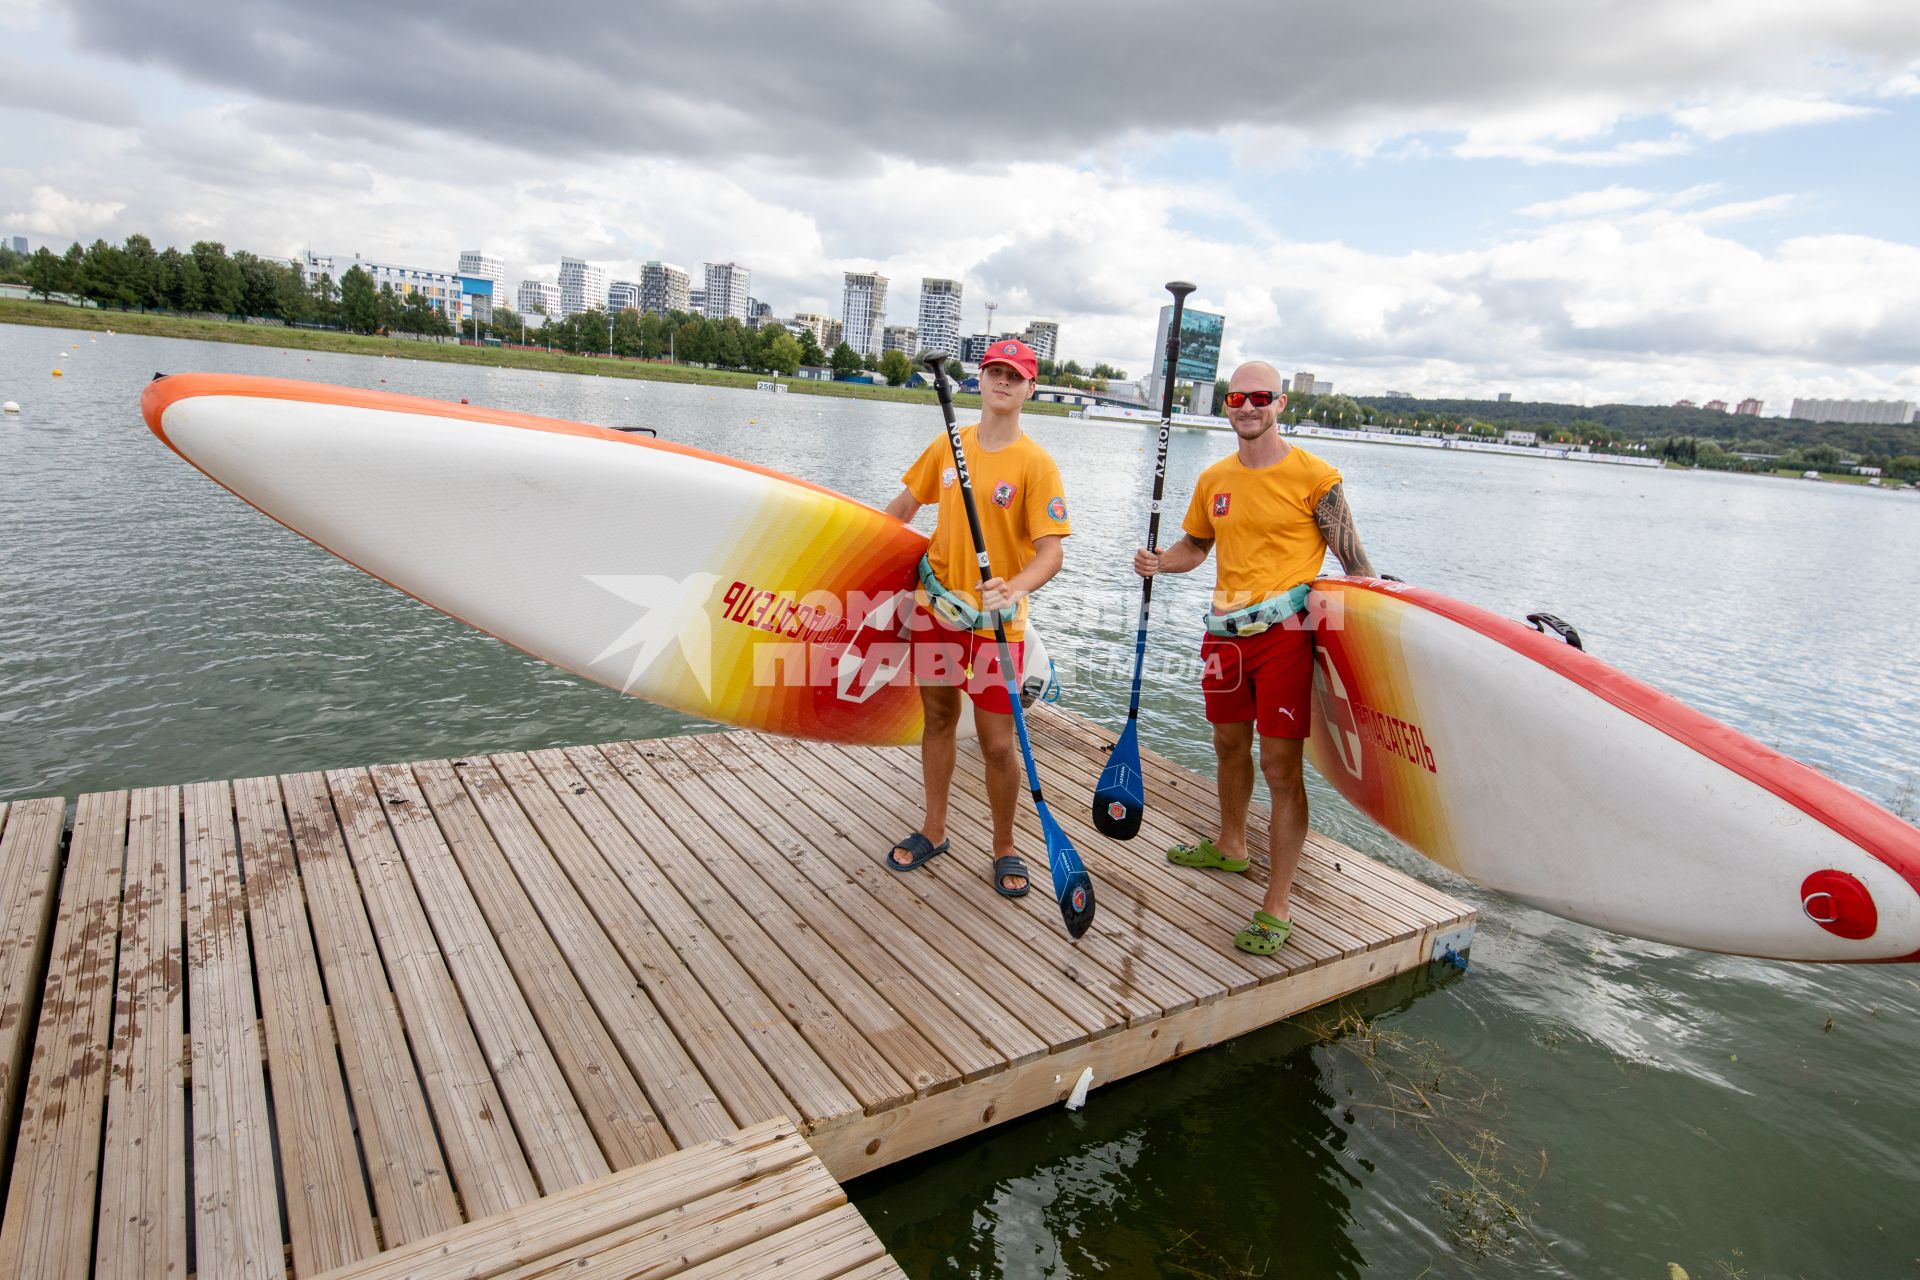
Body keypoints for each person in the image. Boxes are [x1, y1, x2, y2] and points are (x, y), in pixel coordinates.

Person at [1133, 361, 1376, 955]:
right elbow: (1197, 544)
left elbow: (1357, 566)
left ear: (1281, 404)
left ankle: (1278, 903)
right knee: (1227, 745)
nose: (1247, 406)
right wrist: (1161, 561)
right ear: (1227, 405)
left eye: (1260, 397)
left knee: (1280, 768)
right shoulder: (1215, 478)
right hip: (1222, 635)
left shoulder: (1316, 478)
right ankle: (1232, 846)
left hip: (1285, 635)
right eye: (1237, 397)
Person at [881, 338, 1071, 898]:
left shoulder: (1036, 464)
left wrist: (1012, 587)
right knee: (937, 719)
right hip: (938, 611)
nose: (1003, 382)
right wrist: (859, 548)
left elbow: (1051, 552)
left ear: (1030, 388)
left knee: (995, 743)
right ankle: (934, 830)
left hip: (995, 628)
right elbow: (901, 512)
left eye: (1015, 375)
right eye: (994, 372)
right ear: (979, 380)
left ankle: (1005, 845)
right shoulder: (949, 444)